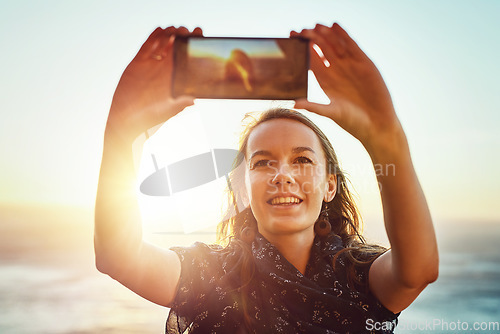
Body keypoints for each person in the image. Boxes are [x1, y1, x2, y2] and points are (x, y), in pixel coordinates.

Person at [94, 23, 439, 333]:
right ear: (242, 187)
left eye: (302, 159)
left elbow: (418, 270)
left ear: (330, 185)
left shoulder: (359, 276)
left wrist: (386, 139)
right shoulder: (208, 275)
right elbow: (118, 256)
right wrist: (122, 131)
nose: (282, 175)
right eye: (262, 163)